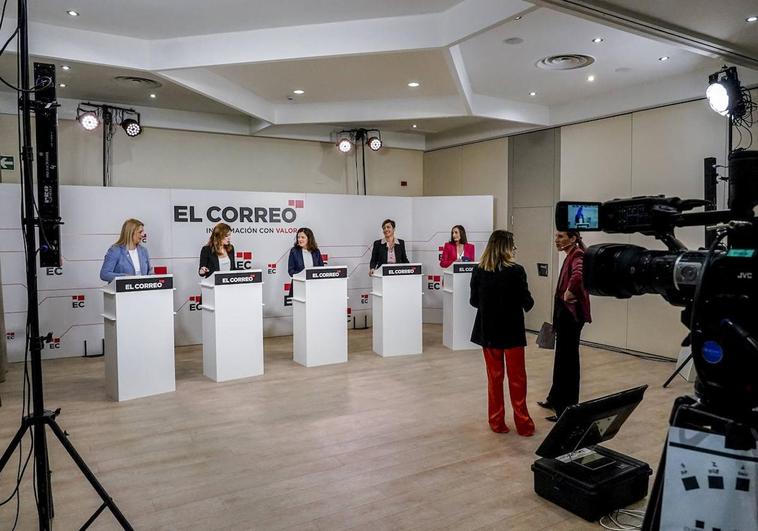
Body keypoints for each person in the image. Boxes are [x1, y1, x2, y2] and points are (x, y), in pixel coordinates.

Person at [469, 230, 535, 436]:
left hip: (488, 331)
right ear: (507, 248)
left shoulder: (479, 271)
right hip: (512, 332)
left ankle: (497, 422)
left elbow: (473, 301)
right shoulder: (517, 271)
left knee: (494, 379)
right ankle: (523, 424)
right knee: (517, 379)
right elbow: (528, 302)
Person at [539, 230, 592, 422]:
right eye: (556, 236)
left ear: (573, 239)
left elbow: (578, 276)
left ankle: (566, 408)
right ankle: (555, 399)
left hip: (571, 316)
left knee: (568, 362)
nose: (556, 240)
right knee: (562, 359)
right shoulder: (572, 254)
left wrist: (569, 292)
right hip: (565, 315)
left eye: (561, 237)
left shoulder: (577, 254)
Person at [287, 227, 324, 295]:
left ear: (309, 238)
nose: (300, 239)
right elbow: (291, 271)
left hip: (314, 286)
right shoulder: (294, 251)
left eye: (302, 237)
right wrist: (304, 276)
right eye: (298, 237)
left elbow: (321, 269)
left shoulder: (316, 251)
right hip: (299, 286)